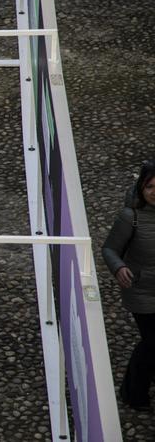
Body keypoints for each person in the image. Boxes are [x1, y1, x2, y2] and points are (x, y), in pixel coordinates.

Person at [103, 160, 155, 410]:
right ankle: (133, 392)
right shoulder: (130, 217)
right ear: (141, 189)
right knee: (152, 343)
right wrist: (119, 267)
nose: (154, 192)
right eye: (150, 187)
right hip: (142, 292)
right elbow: (110, 249)